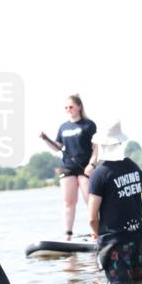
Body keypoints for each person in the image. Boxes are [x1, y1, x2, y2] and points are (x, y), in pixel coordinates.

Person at [87, 121, 142, 284]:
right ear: (120, 142)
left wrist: (95, 233)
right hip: (136, 239)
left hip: (114, 243)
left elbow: (92, 218)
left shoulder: (99, 174)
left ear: (102, 144)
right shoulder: (135, 168)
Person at [40, 94, 99, 241]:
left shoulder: (89, 125)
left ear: (79, 107)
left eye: (71, 107)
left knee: (90, 201)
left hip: (85, 168)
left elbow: (96, 146)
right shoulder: (63, 127)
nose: (68, 109)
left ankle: (97, 232)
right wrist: (45, 139)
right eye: (66, 108)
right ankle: (68, 235)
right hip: (68, 168)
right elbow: (57, 147)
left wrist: (92, 164)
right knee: (68, 202)